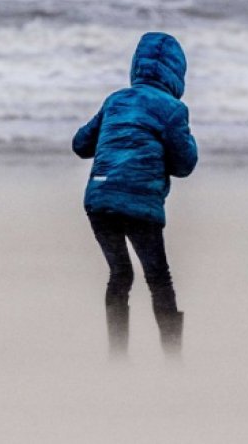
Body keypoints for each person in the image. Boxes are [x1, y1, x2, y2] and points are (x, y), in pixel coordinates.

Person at [72, 32, 198, 360]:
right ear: (177, 73)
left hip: (99, 200)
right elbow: (185, 164)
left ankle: (117, 358)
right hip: (140, 203)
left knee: (120, 274)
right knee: (158, 278)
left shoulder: (116, 101)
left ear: (136, 66)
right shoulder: (172, 110)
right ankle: (173, 358)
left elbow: (80, 144)